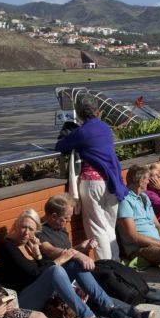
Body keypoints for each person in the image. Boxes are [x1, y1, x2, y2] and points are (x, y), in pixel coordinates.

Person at [37, 194, 160, 308]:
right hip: (68, 275)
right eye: (65, 218)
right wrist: (78, 253)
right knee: (111, 278)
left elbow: (67, 251)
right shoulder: (41, 233)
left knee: (115, 266)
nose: (67, 222)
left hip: (78, 266)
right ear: (52, 216)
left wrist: (81, 247)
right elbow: (52, 251)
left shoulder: (60, 228)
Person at [0, 209, 129, 318]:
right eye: (23, 227)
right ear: (16, 225)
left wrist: (38, 254)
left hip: (38, 293)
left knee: (73, 265)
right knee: (55, 270)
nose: (26, 232)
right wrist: (60, 259)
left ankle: (108, 307)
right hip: (22, 302)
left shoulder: (27, 245)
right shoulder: (9, 246)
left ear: (35, 232)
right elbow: (34, 273)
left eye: (31, 229)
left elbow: (41, 268)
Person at [55, 94, 127, 261]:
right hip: (112, 183)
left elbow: (60, 146)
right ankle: (116, 265)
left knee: (97, 230)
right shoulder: (105, 128)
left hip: (93, 184)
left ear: (79, 114)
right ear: (98, 112)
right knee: (109, 228)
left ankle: (107, 268)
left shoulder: (82, 132)